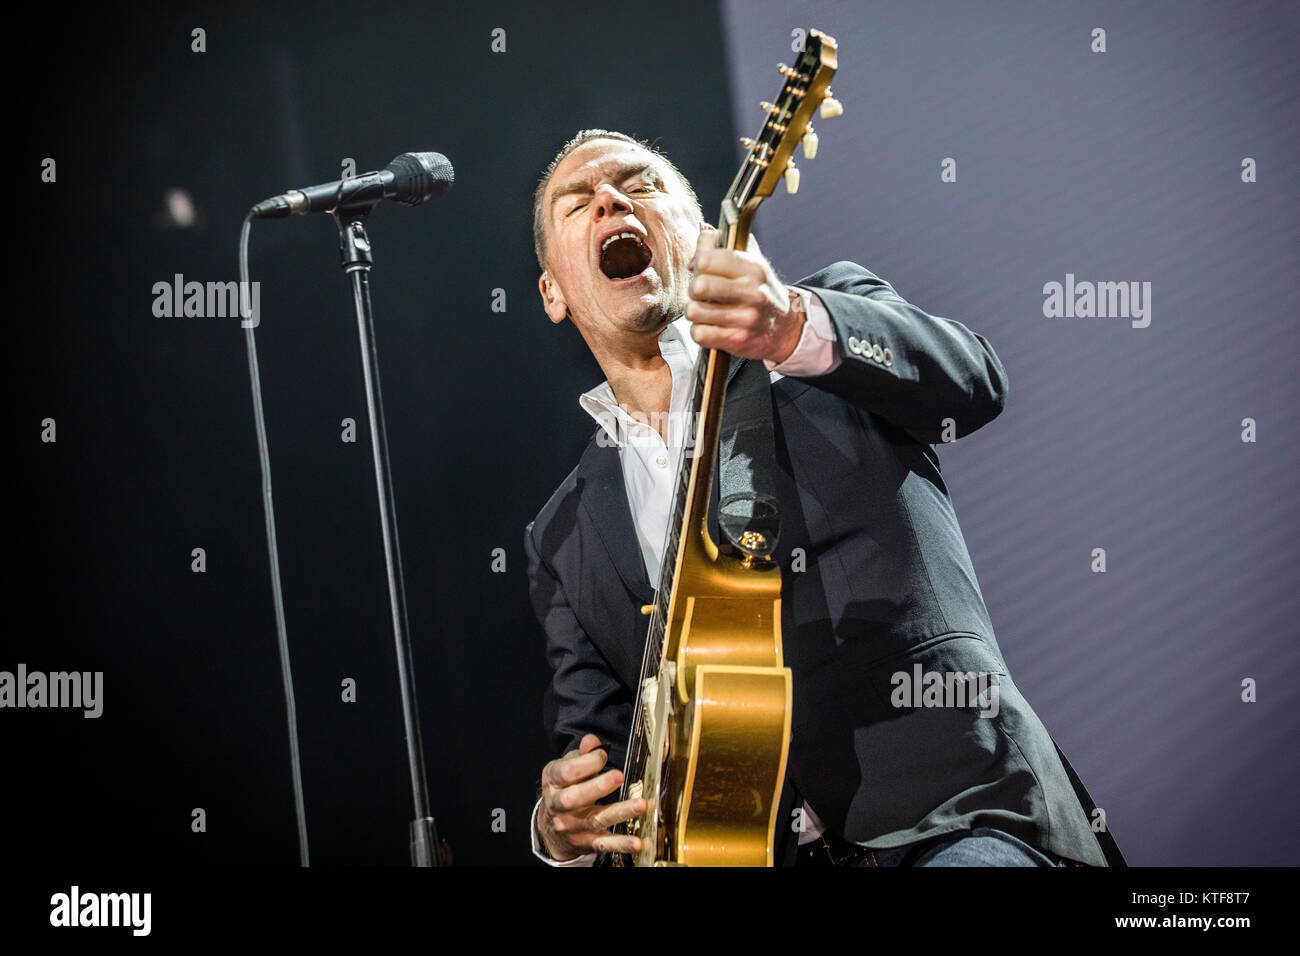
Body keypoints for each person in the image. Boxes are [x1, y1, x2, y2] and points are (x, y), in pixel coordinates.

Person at [524, 128, 1115, 867]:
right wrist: (559, 830)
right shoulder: (561, 534)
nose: (610, 197)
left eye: (640, 185)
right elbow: (605, 761)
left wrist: (792, 327)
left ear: (704, 235)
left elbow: (974, 384)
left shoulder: (813, 341)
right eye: (578, 203)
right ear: (553, 292)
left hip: (955, 818)